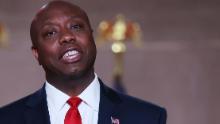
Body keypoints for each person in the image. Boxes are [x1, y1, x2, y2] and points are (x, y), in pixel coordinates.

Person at [0, 1, 167, 124]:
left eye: (76, 27)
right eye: (50, 32)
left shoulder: (148, 117)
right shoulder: (7, 119)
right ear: (36, 54)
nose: (67, 36)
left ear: (92, 37)